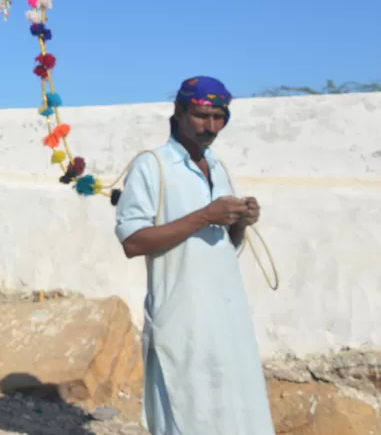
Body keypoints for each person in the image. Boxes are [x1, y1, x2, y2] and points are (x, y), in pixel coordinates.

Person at [114, 76, 274, 435]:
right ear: (179, 111)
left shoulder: (218, 167)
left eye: (219, 117)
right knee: (187, 411)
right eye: (202, 116)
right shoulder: (151, 166)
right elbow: (133, 243)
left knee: (235, 409)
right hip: (182, 317)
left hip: (227, 316)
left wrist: (240, 223)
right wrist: (206, 215)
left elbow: (224, 247)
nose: (211, 126)